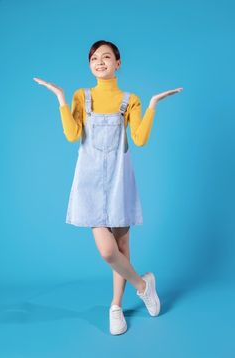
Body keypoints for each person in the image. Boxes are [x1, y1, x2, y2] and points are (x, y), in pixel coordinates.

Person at [33, 39, 183, 335]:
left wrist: (152, 105)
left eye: (106, 57)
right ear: (90, 65)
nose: (99, 62)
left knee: (123, 246)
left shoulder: (131, 100)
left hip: (119, 179)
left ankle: (115, 307)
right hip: (89, 181)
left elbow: (139, 139)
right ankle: (143, 285)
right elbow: (72, 134)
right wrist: (61, 99)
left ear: (118, 62)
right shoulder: (81, 96)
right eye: (93, 59)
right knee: (107, 251)